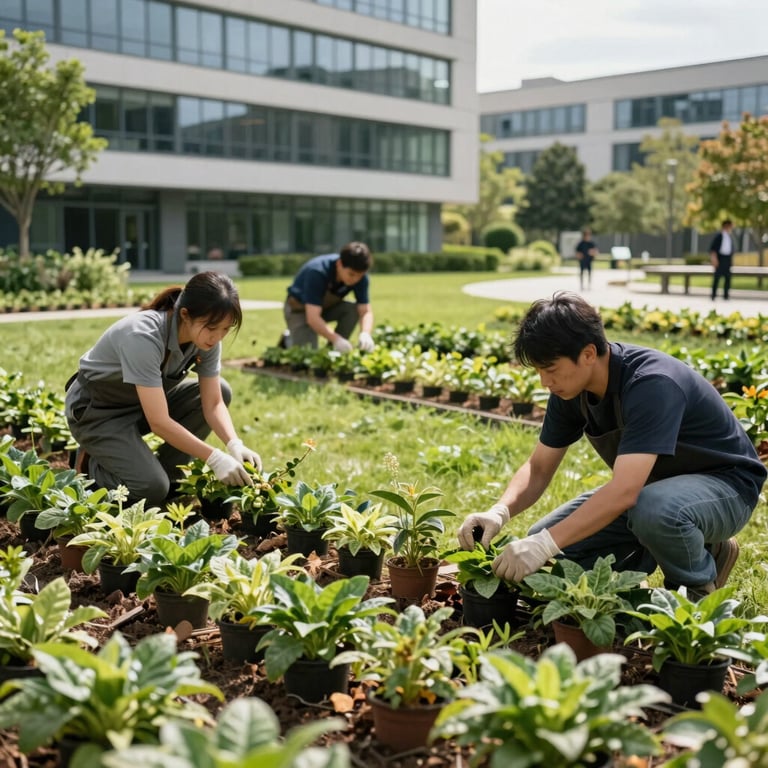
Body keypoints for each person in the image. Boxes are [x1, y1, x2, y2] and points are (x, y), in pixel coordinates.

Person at [458, 292, 766, 600]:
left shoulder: (651, 384)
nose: (544, 382)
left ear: (589, 354)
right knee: (559, 550)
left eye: (550, 369)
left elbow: (624, 492)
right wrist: (499, 511)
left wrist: (545, 543)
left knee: (652, 511)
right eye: (539, 371)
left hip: (728, 487)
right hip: (653, 490)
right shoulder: (569, 391)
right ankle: (690, 544)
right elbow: (538, 468)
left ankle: (696, 588)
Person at [64, 271, 261, 507]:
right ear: (185, 315)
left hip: (139, 406)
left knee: (222, 390)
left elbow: (213, 403)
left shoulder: (205, 340)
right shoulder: (143, 336)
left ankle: (171, 475)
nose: (217, 337)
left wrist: (234, 444)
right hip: (98, 414)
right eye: (212, 327)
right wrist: (215, 458)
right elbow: (158, 421)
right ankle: (91, 464)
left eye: (225, 329)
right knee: (151, 488)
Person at [282, 241, 375, 353]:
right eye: (351, 274)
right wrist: (337, 339)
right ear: (340, 264)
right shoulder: (317, 272)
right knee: (308, 356)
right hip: (300, 310)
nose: (355, 279)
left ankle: (333, 351)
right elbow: (312, 317)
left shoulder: (361, 277)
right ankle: (288, 340)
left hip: (325, 307)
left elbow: (364, 310)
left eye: (359, 276)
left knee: (352, 310)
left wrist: (365, 333)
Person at [709, 219, 735, 300]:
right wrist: (714, 259)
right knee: (717, 278)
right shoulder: (719, 236)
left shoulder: (729, 237)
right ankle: (713, 295)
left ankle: (726, 296)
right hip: (720, 259)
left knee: (727, 278)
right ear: (726, 226)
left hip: (727, 259)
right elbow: (713, 249)